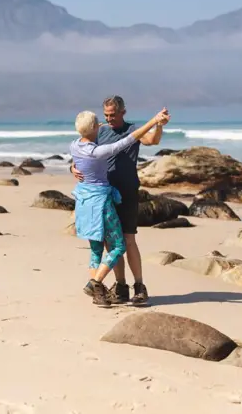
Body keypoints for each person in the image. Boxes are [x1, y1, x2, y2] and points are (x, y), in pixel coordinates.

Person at [71, 96, 169, 306]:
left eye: (113, 115)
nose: (109, 118)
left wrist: (158, 125)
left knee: (128, 239)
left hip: (126, 191)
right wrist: (72, 168)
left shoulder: (132, 129)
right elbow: (83, 152)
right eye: (106, 115)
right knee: (109, 242)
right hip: (104, 194)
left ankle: (139, 286)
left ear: (123, 112)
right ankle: (120, 286)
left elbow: (153, 141)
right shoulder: (101, 130)